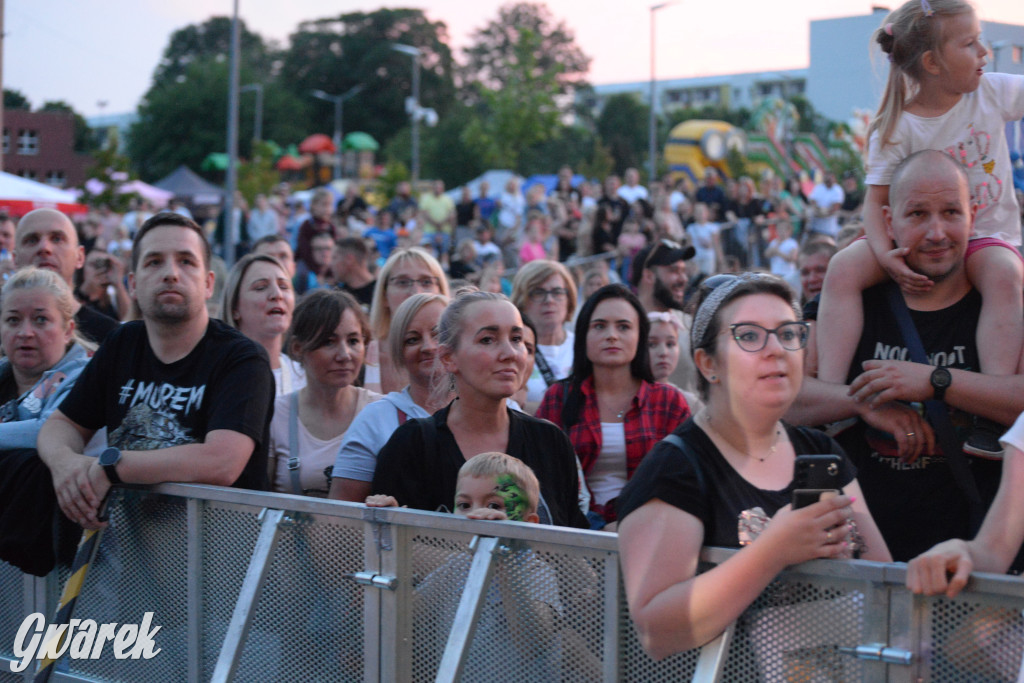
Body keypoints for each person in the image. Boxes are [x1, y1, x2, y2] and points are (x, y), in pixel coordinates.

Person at [616, 272, 891, 658]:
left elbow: (886, 586)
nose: (776, 349)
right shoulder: (675, 467)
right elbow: (656, 632)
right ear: (707, 362)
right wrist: (774, 549)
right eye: (749, 335)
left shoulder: (821, 450)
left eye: (788, 334)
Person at [790, 150, 1024, 563]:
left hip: (974, 563)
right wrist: (864, 402)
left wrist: (935, 381)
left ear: (973, 214)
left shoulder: (1000, 302)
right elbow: (788, 399)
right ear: (888, 223)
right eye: (917, 214)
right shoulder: (854, 299)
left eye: (951, 212)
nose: (936, 233)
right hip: (865, 564)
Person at [816, 0, 1024, 458]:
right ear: (932, 62)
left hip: (986, 231)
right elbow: (875, 205)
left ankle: (990, 409)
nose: (985, 52)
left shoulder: (991, 92)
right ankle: (833, 398)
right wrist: (883, 250)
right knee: (844, 268)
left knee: (1004, 274)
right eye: (970, 44)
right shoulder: (895, 126)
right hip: (906, 237)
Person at [37, 212, 276, 530]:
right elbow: (62, 424)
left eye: (186, 261)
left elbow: (222, 462)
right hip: (132, 559)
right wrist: (64, 464)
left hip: (221, 561)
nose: (171, 274)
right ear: (133, 284)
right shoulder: (123, 342)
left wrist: (110, 467)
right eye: (154, 262)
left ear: (208, 284)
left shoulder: (242, 359)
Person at [371, 291, 587, 528]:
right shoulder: (413, 445)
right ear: (448, 358)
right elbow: (389, 555)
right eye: (487, 340)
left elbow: (575, 546)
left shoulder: (550, 442)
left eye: (516, 339)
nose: (510, 354)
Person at [536, 284, 690, 529]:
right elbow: (541, 479)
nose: (612, 335)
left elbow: (683, 481)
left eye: (623, 326)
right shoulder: (558, 397)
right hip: (575, 535)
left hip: (651, 530)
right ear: (583, 335)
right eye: (599, 326)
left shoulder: (668, 402)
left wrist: (624, 523)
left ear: (640, 336)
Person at [0, 269, 98, 575]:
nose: (26, 332)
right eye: (13, 320)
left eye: (41, 320)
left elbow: (49, 431)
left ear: (68, 330)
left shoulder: (88, 376)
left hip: (81, 570)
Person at [330, 293, 450, 502]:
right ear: (398, 352)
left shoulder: (496, 410)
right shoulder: (375, 419)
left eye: (438, 333)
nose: (428, 346)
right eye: (412, 339)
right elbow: (340, 519)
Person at [268, 289, 381, 496]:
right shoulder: (276, 415)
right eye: (329, 342)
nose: (344, 355)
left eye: (354, 341)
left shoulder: (382, 412)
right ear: (297, 348)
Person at [14, 209, 119, 345]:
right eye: (32, 240)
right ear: (14, 259)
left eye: (57, 239)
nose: (45, 248)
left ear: (80, 256)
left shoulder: (111, 336)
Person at [366, 247, 449, 394]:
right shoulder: (360, 358)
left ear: (441, 292)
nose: (415, 292)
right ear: (384, 295)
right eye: (403, 282)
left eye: (426, 282)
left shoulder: (461, 356)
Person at [221, 253, 305, 396]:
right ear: (235, 308)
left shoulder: (305, 378)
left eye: (284, 286)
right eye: (260, 287)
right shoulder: (216, 375)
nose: (277, 294)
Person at [632, 240, 700, 393]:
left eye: (684, 271)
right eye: (674, 271)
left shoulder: (690, 324)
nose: (684, 279)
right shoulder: (623, 327)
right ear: (649, 276)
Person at [511, 260, 578, 408]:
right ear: (521, 301)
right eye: (538, 292)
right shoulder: (511, 352)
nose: (549, 300)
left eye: (557, 292)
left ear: (569, 299)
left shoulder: (585, 347)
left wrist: (530, 407)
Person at [76, 248, 130, 322]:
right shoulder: (73, 295)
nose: (100, 268)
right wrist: (84, 291)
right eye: (95, 264)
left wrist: (118, 283)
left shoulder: (114, 297)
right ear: (83, 269)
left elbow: (129, 319)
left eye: (105, 264)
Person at [294, 188, 338, 271]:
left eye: (330, 205)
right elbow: (304, 251)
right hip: (308, 267)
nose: (327, 208)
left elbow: (335, 249)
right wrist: (317, 271)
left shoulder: (331, 227)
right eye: (324, 204)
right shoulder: (307, 225)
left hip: (326, 268)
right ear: (314, 205)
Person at [331, 236, 376, 309]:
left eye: (334, 258)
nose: (331, 264)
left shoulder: (381, 293)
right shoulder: (337, 295)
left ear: (349, 259)